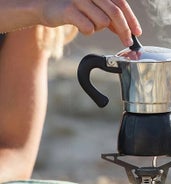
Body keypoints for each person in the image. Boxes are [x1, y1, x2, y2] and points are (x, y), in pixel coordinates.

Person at [0, 0, 142, 182]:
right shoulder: (36, 7)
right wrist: (33, 9)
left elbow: (14, 150)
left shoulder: (34, 18)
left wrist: (32, 12)